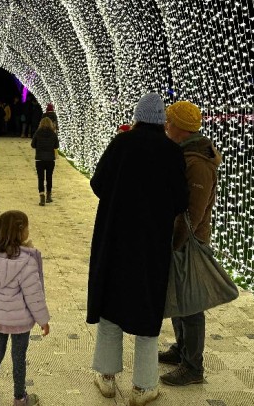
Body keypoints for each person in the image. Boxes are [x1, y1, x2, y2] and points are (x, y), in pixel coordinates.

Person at [87, 93, 189, 406]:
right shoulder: (172, 152)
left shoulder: (122, 144)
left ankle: (106, 376)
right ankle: (144, 387)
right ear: (162, 121)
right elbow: (182, 201)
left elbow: (98, 185)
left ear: (137, 117)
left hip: (115, 240)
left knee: (111, 306)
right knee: (148, 310)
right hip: (151, 245)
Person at [158, 101, 222, 387]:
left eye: (169, 121)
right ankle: (182, 349)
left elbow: (192, 214)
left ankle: (193, 366)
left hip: (189, 242)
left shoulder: (198, 164)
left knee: (191, 305)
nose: (165, 126)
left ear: (180, 128)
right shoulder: (185, 154)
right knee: (179, 298)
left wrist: (175, 243)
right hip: (180, 239)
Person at [0, 210, 50, 406]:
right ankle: (20, 398)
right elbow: (34, 296)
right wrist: (43, 321)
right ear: (21, 232)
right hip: (19, 321)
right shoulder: (25, 262)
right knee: (18, 358)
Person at [30, 117, 59, 206]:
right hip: (50, 159)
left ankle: (42, 195)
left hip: (40, 159)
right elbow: (56, 145)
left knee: (41, 178)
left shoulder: (38, 132)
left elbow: (33, 144)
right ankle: (49, 195)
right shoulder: (53, 134)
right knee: (49, 177)